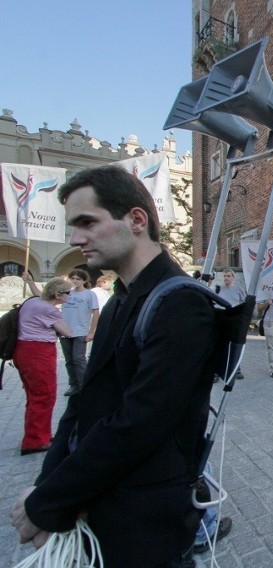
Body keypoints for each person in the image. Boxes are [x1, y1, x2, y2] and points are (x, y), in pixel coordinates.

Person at [10, 166, 224, 566]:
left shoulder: (182, 303)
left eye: (87, 222)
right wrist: (50, 488)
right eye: (73, 225)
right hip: (104, 507)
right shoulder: (119, 300)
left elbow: (141, 422)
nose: (76, 238)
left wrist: (48, 502)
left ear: (136, 219)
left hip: (146, 521)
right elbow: (85, 403)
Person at [14, 277, 73, 455]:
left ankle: (40, 435)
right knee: (44, 395)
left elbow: (39, 295)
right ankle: (35, 441)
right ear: (58, 295)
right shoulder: (49, 310)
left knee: (34, 396)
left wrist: (31, 283)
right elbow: (68, 332)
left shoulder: (34, 302)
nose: (70, 296)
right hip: (38, 353)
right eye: (68, 293)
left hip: (23, 350)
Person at [58, 269, 100, 396]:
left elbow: (96, 313)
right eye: (73, 278)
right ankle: (74, 385)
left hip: (80, 331)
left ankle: (85, 385)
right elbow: (45, 296)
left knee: (79, 359)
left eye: (78, 279)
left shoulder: (89, 294)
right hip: (65, 331)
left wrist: (92, 331)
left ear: (84, 280)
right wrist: (31, 283)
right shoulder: (67, 293)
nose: (75, 281)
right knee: (69, 361)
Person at [216, 269, 246, 380]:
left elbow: (243, 303)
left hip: (234, 320)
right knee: (220, 345)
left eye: (228, 276)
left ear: (233, 277)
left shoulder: (238, 289)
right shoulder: (218, 288)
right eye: (224, 276)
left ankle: (237, 370)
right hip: (222, 319)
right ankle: (217, 371)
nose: (226, 278)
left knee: (235, 345)